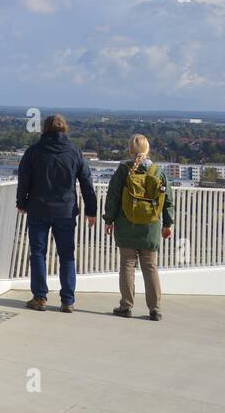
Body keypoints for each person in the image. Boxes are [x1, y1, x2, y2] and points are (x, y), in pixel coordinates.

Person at [16, 113, 97, 312]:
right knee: (67, 255)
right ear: (64, 129)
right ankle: (67, 300)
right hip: (66, 211)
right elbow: (87, 182)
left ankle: (39, 297)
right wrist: (91, 210)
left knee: (38, 253)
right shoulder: (74, 152)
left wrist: (21, 202)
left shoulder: (34, 151)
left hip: (38, 208)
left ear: (45, 129)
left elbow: (23, 179)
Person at [103, 134, 174, 321]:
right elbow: (167, 201)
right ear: (147, 150)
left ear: (130, 150)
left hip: (126, 224)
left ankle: (126, 305)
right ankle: (155, 309)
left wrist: (108, 220)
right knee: (150, 266)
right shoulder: (158, 172)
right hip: (150, 226)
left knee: (127, 264)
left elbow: (113, 197)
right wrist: (168, 224)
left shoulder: (123, 170)